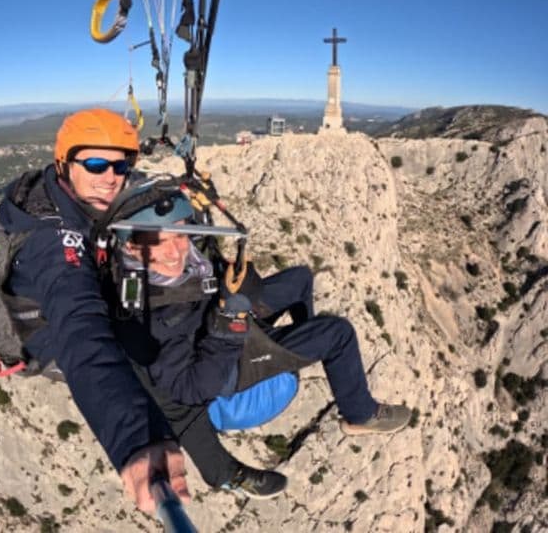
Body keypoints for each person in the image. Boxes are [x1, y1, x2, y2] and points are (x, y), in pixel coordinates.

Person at [104, 184, 412, 490]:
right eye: (161, 241)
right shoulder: (151, 318)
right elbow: (194, 388)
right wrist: (232, 315)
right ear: (131, 246)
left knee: (300, 279)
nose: (176, 252)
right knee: (337, 333)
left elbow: (196, 254)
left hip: (215, 317)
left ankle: (295, 350)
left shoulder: (160, 264)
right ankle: (360, 414)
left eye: (181, 235)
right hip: (224, 368)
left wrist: (204, 209)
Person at [0, 108, 187, 513]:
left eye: (121, 165)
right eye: (97, 164)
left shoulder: (65, 196)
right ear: (63, 164)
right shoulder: (54, 241)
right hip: (56, 338)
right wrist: (134, 440)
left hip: (70, 314)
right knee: (160, 357)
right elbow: (80, 330)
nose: (111, 177)